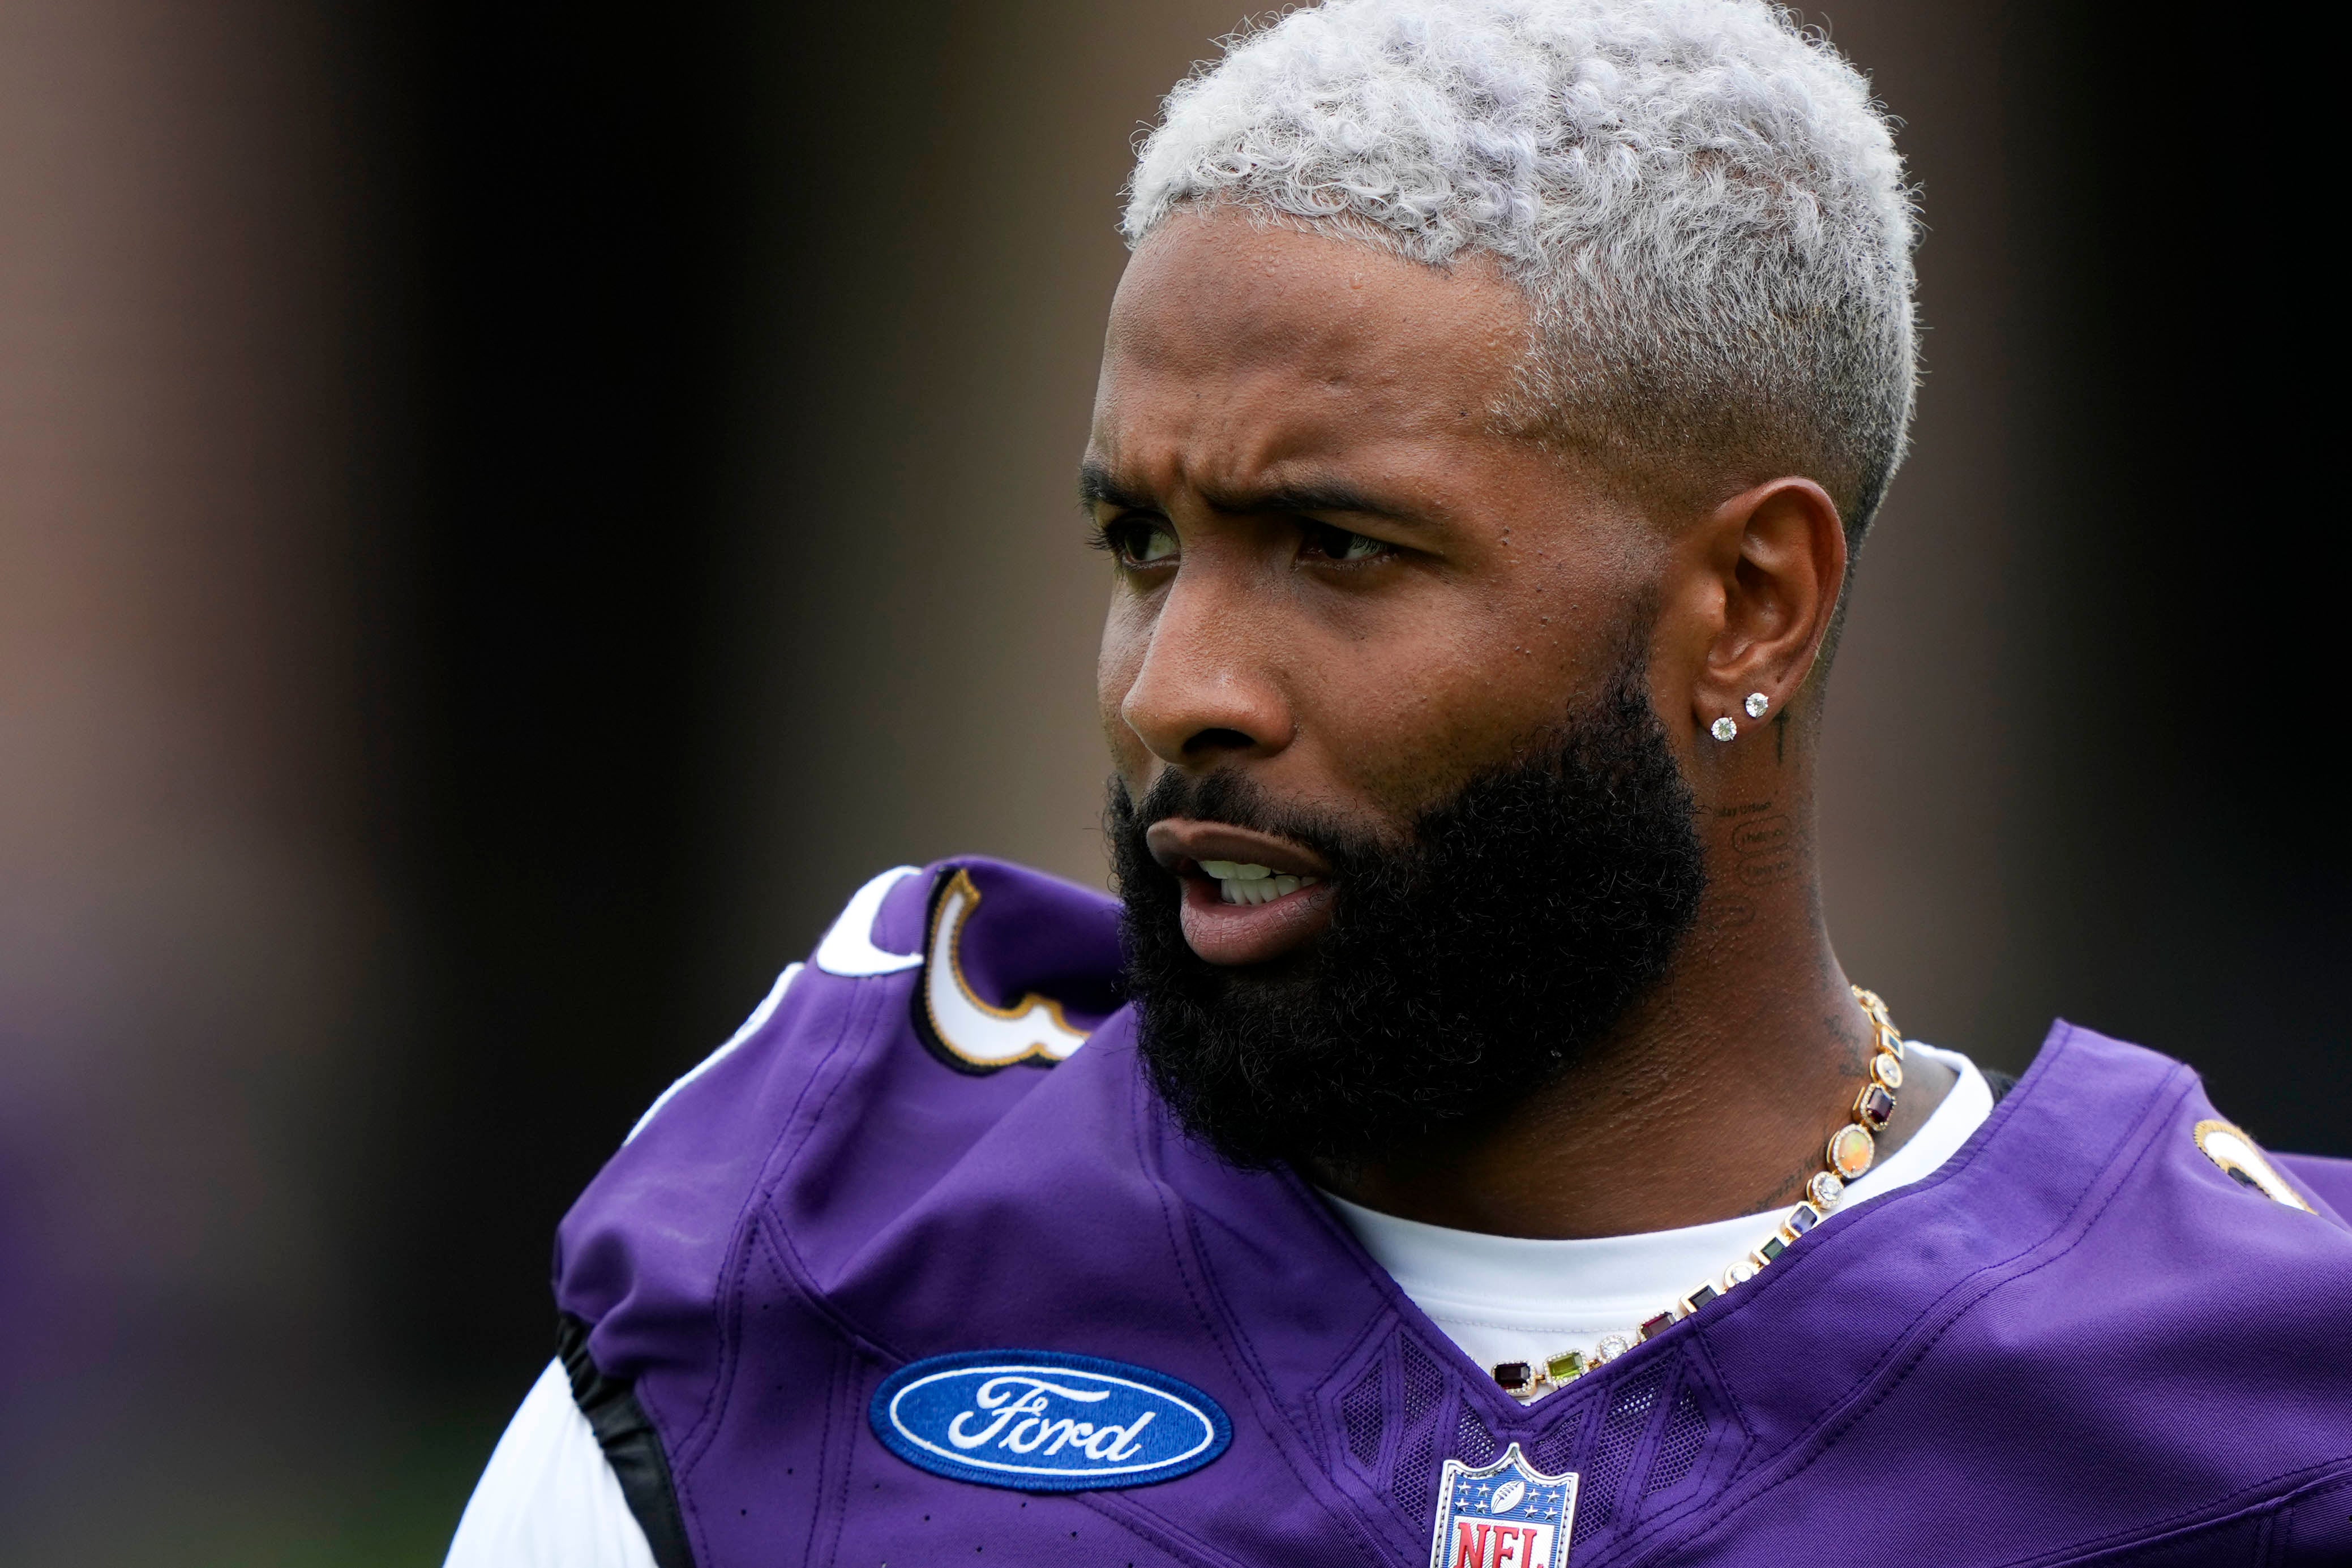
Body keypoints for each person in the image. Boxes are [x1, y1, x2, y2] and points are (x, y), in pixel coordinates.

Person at [446, 2, 2352, 1563]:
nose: (1177, 683)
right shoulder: (809, 1263)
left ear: (1750, 604)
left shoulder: (2254, 1406)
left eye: (1339, 547)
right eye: (1140, 543)